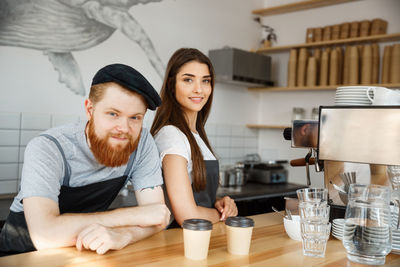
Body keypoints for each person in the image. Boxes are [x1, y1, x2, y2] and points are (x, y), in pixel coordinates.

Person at [0, 64, 170, 256]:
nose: (124, 127)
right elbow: (44, 235)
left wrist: (125, 235)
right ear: (89, 109)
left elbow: (157, 217)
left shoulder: (142, 143)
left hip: (85, 253)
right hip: (22, 254)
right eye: (113, 114)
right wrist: (134, 215)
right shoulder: (48, 148)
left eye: (135, 117)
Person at [150, 48, 237, 228]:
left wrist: (220, 203)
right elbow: (187, 217)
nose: (199, 89)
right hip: (179, 243)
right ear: (171, 85)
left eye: (205, 81)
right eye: (188, 80)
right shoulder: (171, 135)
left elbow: (195, 196)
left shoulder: (195, 135)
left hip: (201, 238)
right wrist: (221, 215)